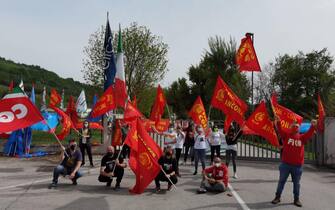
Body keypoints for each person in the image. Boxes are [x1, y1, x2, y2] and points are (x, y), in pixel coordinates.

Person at [271, 119, 317, 207]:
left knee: (297, 183)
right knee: (281, 181)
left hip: (297, 166)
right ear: (290, 127)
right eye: (294, 125)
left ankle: (296, 199)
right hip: (285, 164)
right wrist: (278, 121)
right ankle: (277, 197)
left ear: (299, 128)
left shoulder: (302, 137)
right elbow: (280, 129)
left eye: (297, 125)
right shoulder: (286, 135)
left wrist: (313, 126)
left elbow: (309, 133)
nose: (295, 126)